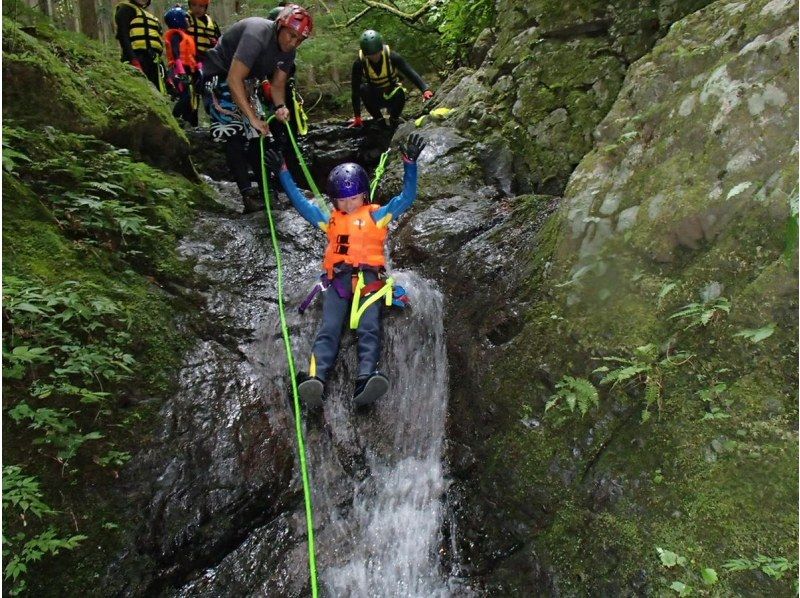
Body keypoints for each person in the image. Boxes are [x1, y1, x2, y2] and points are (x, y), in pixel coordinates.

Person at [264, 134, 427, 409]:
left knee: (369, 327)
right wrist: (283, 173)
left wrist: (409, 165)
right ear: (335, 201)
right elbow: (303, 206)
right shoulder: (330, 221)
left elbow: (407, 197)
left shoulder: (378, 215)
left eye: (354, 198)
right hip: (337, 280)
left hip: (370, 281)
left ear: (364, 195)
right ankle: (315, 378)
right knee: (329, 328)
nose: (349, 204)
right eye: (343, 200)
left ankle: (366, 377)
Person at [201, 6, 312, 213]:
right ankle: (247, 194)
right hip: (220, 73)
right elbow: (233, 79)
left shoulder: (289, 52)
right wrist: (251, 117)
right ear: (280, 25)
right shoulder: (257, 34)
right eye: (291, 35)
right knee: (234, 131)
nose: (293, 43)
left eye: (299, 40)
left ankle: (267, 191)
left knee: (260, 134)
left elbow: (278, 85)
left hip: (247, 79)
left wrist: (280, 107)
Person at [349, 30, 434, 130]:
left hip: (392, 95)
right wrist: (357, 116)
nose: (374, 57)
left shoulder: (392, 57)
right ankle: (379, 120)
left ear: (381, 49)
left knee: (400, 92)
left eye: (376, 53)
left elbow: (409, 72)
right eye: (370, 55)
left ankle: (394, 120)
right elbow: (355, 90)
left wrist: (425, 89)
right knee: (362, 88)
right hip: (374, 96)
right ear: (365, 54)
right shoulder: (359, 63)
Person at [114, 0, 165, 90]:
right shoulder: (125, 9)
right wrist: (133, 60)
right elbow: (123, 36)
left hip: (154, 62)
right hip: (136, 57)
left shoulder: (148, 16)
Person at [163, 6, 199, 127]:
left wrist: (198, 68)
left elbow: (191, 56)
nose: (188, 21)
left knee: (190, 101)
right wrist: (181, 72)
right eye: (186, 19)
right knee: (185, 97)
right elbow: (176, 53)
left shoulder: (185, 36)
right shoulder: (176, 36)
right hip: (178, 71)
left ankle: (186, 125)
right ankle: (173, 121)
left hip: (188, 71)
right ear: (177, 20)